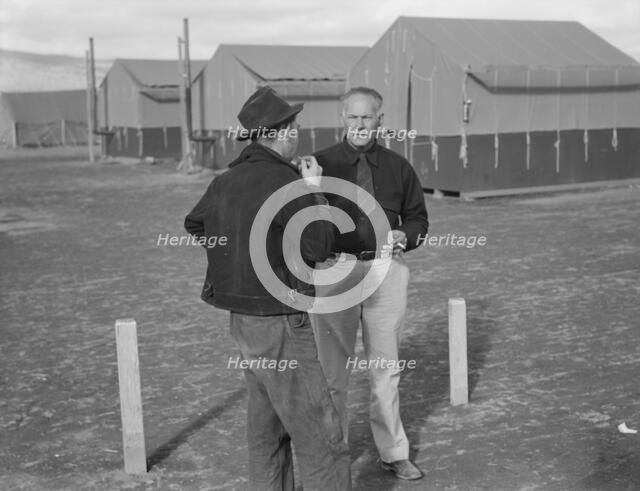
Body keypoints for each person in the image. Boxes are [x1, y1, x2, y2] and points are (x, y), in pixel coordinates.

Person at [184, 86, 351, 490]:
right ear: (282, 132)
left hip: (242, 322)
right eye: (295, 126)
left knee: (267, 434)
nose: (298, 133)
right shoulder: (286, 181)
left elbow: (195, 224)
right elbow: (320, 243)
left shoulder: (226, 180)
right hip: (280, 322)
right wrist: (314, 187)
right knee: (320, 438)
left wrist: (241, 253)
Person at [310, 86, 429, 481]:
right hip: (335, 273)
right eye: (352, 117)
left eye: (367, 117)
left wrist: (404, 237)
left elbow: (418, 221)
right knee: (332, 375)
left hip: (385, 272)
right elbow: (298, 216)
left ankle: (394, 452)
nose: (359, 124)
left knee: (385, 369)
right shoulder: (318, 166)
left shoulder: (399, 167)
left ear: (381, 120)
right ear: (342, 119)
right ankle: (332, 458)